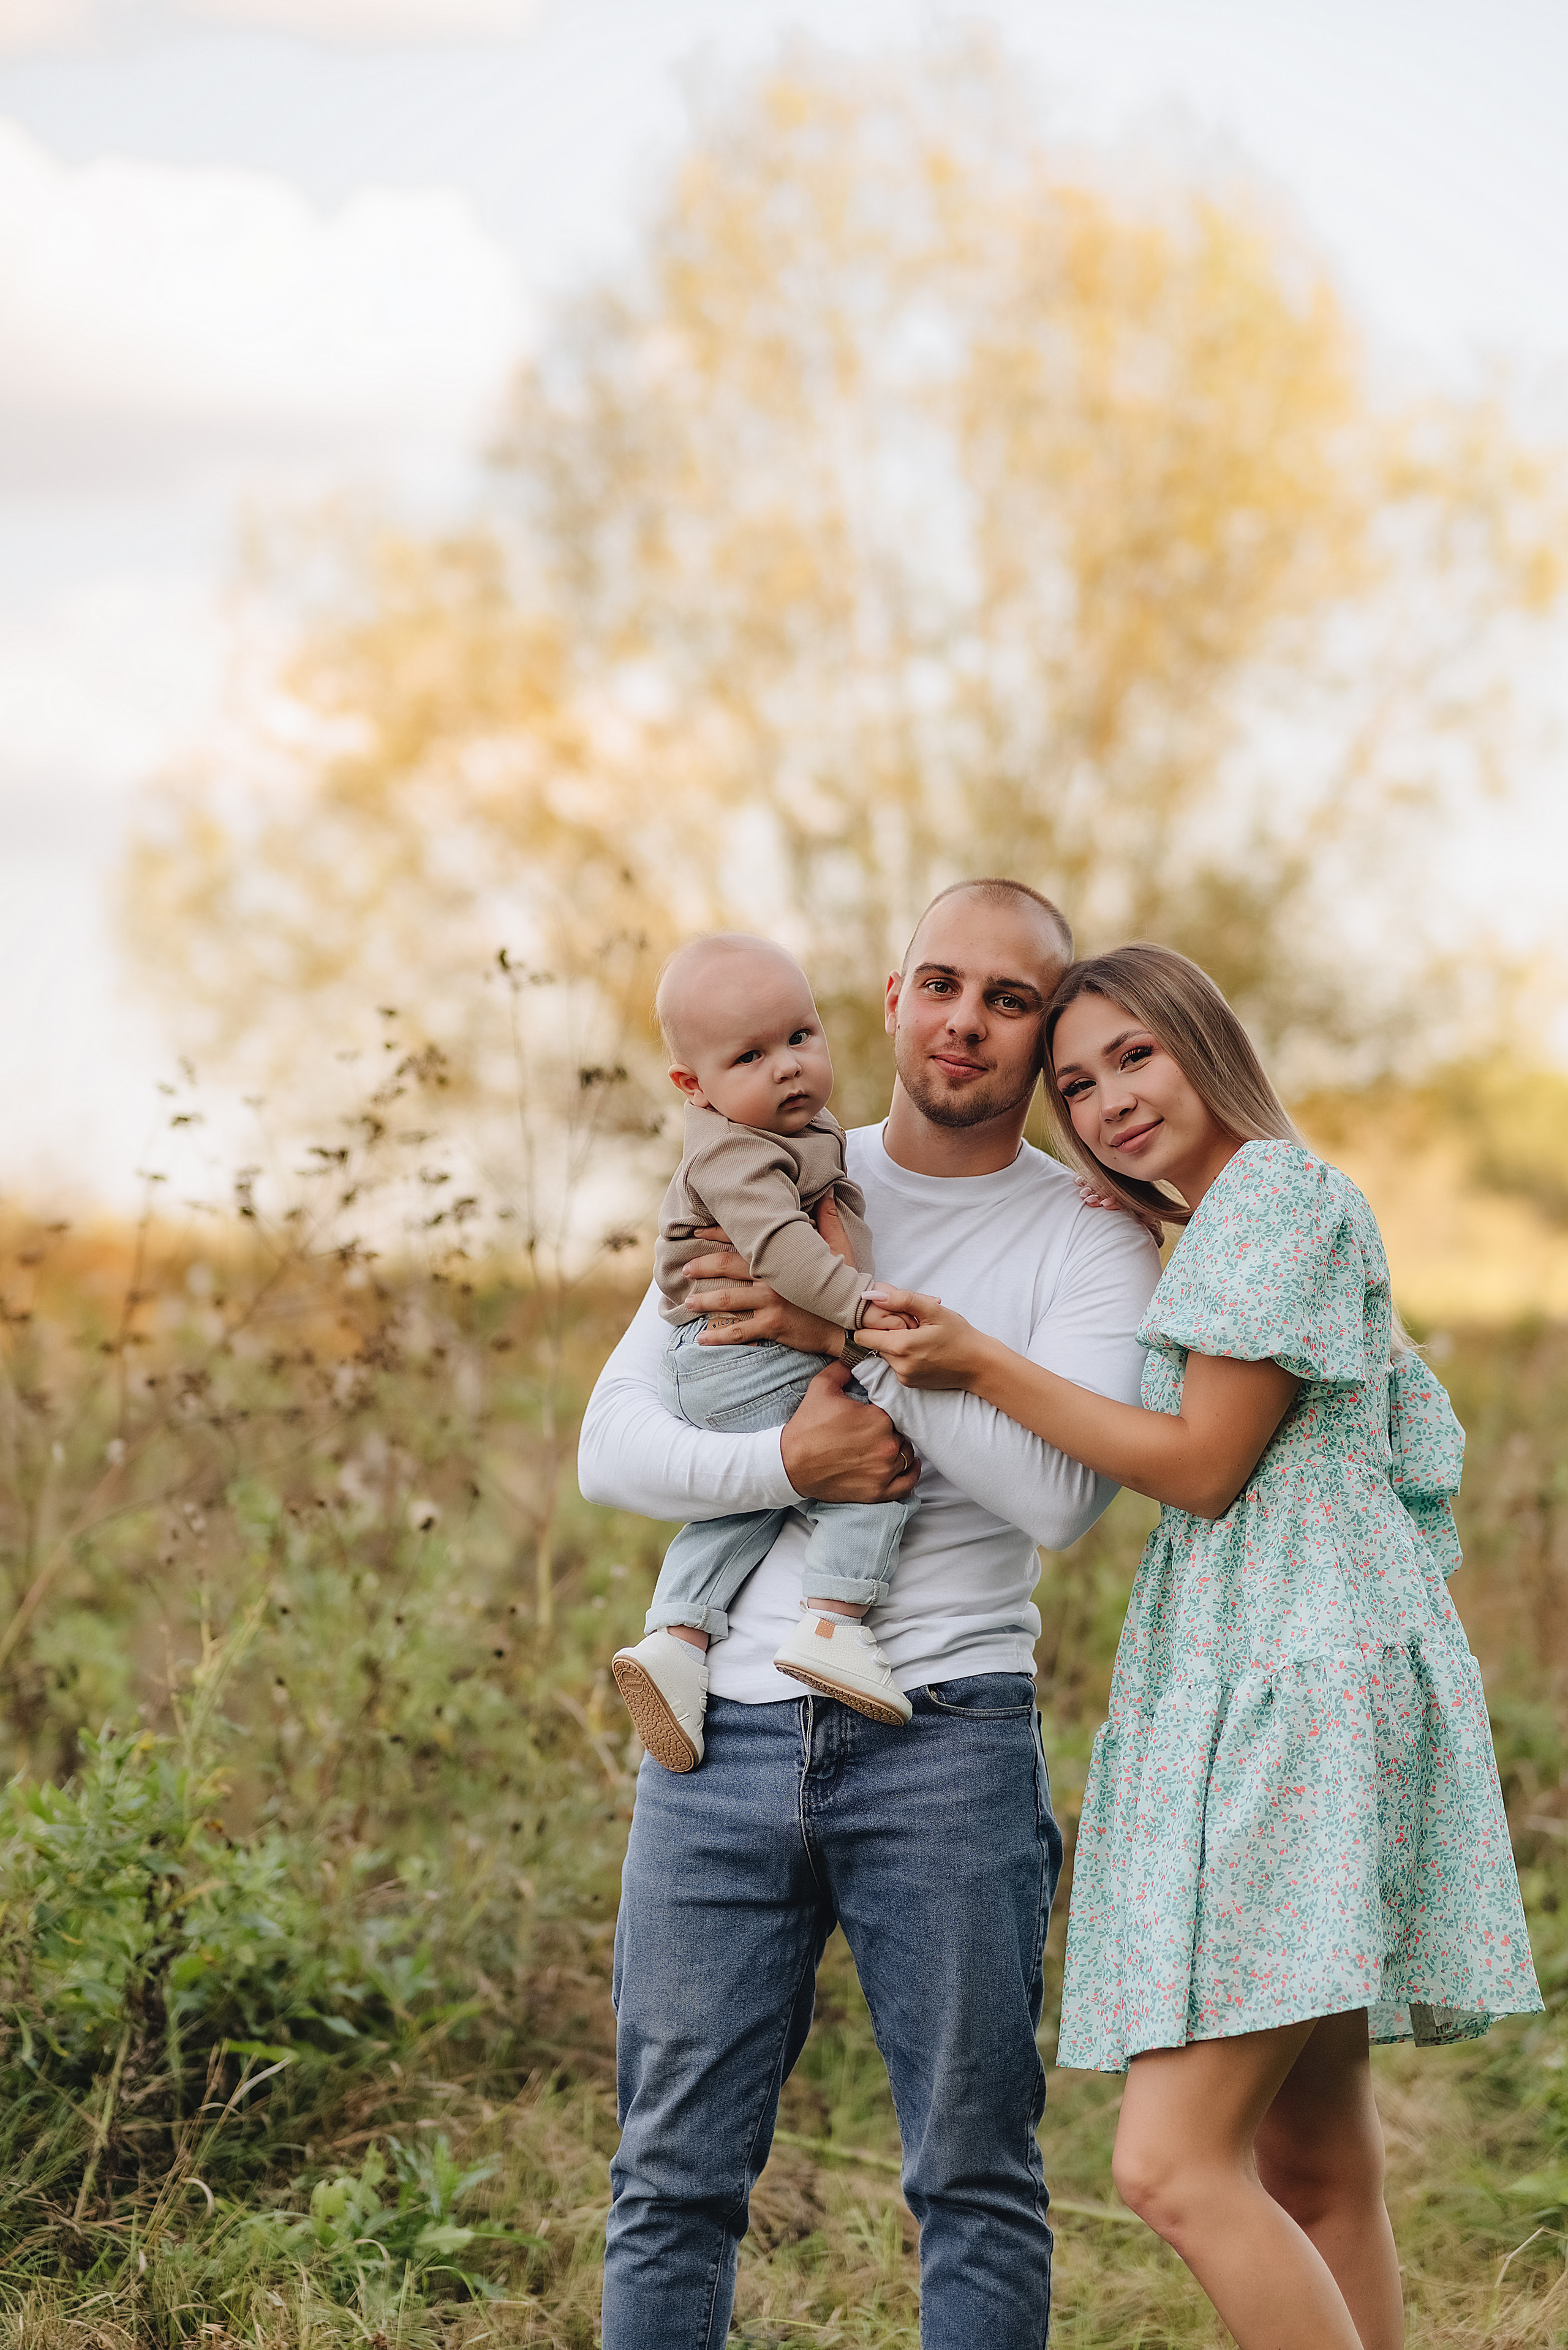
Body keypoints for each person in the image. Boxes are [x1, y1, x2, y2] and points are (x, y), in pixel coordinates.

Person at [859, 941, 1543, 2350]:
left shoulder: (1273, 1196)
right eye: (1075, 1084)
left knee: (1169, 2165)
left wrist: (979, 1359)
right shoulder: (1239, 1213)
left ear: (1205, 1045)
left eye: (1135, 1056)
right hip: (1294, 1664)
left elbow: (1202, 1464)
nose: (1107, 1098)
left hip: (1301, 1686)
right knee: (1310, 2162)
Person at [577, 879, 1161, 2350]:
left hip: (944, 1736)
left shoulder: (1083, 1232)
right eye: (940, 983)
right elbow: (612, 1445)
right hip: (716, 1741)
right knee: (668, 2177)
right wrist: (791, 1458)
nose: (965, 1020)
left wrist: (847, 1335)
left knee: (973, 2175)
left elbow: (1055, 1497)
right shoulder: (766, 1167)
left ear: (1043, 1033)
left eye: (1009, 999)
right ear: (893, 998)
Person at [610, 931, 922, 1770]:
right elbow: (781, 1249)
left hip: (722, 1358)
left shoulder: (794, 1128)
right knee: (871, 1456)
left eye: (800, 1036)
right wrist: (858, 1310)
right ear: (693, 1085)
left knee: (747, 1500)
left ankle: (677, 1639)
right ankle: (833, 1622)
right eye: (750, 1056)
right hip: (738, 1351)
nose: (788, 1067)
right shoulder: (733, 1150)